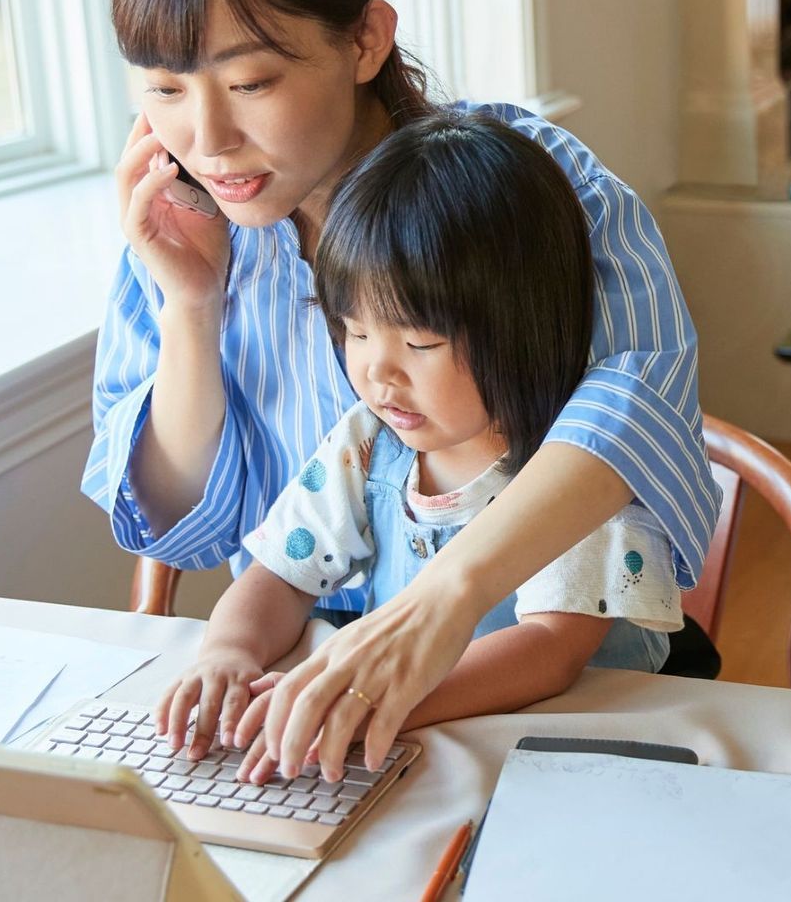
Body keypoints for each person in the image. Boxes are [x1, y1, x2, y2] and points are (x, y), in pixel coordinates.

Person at [83, 0, 715, 774]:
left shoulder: (520, 183)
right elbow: (183, 526)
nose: (208, 138)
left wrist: (439, 605)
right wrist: (190, 308)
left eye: (251, 81)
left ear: (366, 39)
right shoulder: (185, 230)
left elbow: (635, 403)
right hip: (302, 711)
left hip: (526, 705)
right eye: (165, 90)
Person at [154, 110, 682, 782]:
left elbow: (552, 651)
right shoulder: (370, 445)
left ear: (523, 327)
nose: (378, 372)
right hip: (430, 751)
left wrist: (383, 699)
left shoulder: (575, 468)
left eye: (420, 343)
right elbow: (279, 576)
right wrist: (227, 653)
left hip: (582, 760)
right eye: (355, 331)